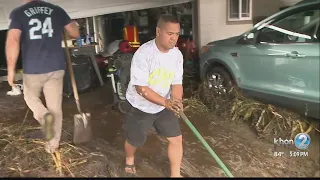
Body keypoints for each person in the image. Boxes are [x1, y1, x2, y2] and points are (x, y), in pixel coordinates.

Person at [6, 0, 80, 153]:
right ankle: (52, 146)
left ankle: (43, 115)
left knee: (30, 98)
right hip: (56, 66)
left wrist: (11, 69)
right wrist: (72, 26)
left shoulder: (19, 13)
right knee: (56, 108)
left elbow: (13, 40)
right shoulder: (56, 10)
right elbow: (75, 33)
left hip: (34, 68)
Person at [124, 14, 184, 177]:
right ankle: (129, 159)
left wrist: (176, 101)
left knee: (176, 139)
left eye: (177, 34)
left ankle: (175, 174)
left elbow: (176, 82)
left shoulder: (177, 55)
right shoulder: (144, 54)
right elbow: (141, 89)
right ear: (158, 31)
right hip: (140, 105)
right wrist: (166, 102)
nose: (174, 39)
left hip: (165, 104)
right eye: (170, 34)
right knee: (135, 140)